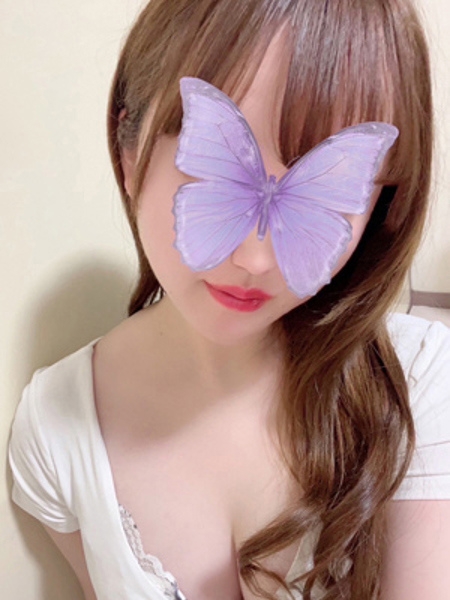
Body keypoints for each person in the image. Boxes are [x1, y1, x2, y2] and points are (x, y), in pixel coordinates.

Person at [8, 0, 450, 599]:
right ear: (130, 155)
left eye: (320, 196)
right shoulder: (56, 432)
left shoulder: (417, 384)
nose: (255, 259)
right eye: (217, 179)